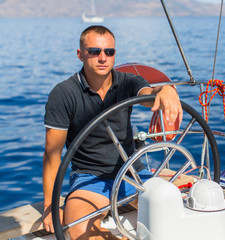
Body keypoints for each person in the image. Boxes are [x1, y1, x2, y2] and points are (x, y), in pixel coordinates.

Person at [42, 25, 182, 240]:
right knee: (80, 231)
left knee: (188, 201)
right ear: (80, 54)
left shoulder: (128, 82)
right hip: (90, 178)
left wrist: (165, 90)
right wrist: (50, 206)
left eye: (109, 52)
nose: (102, 58)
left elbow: (148, 94)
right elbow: (52, 156)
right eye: (94, 51)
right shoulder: (63, 94)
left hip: (132, 173)